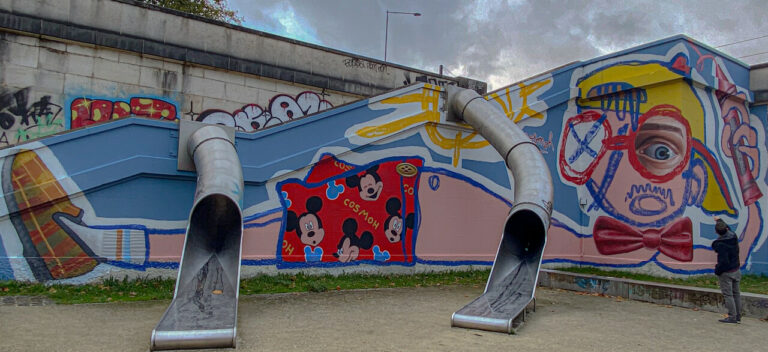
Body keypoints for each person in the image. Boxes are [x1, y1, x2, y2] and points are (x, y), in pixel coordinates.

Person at [712, 216, 742, 323]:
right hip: (736, 269)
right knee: (736, 294)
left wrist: (717, 270)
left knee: (728, 295)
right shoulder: (733, 237)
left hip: (726, 272)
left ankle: (732, 316)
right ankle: (738, 315)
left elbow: (723, 261)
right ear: (727, 229)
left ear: (717, 232)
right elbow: (729, 230)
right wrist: (719, 220)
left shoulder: (720, 244)